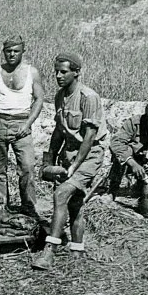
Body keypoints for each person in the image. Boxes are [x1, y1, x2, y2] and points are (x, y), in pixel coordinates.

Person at [32, 52, 107, 270]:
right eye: (56, 71)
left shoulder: (88, 97)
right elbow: (58, 131)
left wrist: (74, 167)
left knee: (61, 194)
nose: (58, 75)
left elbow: (90, 138)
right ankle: (77, 250)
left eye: (63, 72)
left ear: (76, 72)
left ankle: (50, 251)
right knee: (74, 204)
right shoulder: (59, 96)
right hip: (69, 153)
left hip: (90, 155)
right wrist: (49, 160)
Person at [0, 35, 45, 218]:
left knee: (27, 167)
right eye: (8, 51)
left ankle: (29, 206)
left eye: (16, 51)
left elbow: (39, 98)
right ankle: (0, 205)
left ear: (23, 51)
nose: (12, 54)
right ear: (3, 52)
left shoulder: (32, 72)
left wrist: (27, 124)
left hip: (21, 123)